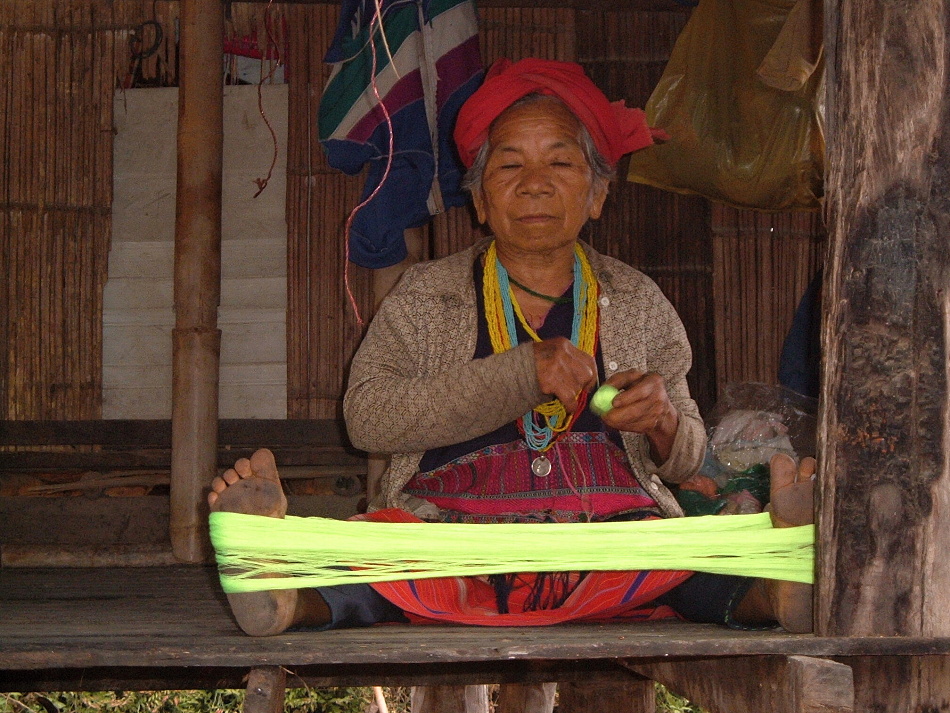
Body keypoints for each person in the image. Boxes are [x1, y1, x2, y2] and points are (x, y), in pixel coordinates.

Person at [208, 57, 815, 712]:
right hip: (454, 533)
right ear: (479, 197)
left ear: (598, 193)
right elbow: (368, 417)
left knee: (687, 557)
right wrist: (521, 373)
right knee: (382, 560)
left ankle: (777, 593)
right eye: (509, 166)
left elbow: (690, 457)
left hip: (609, 534)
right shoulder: (427, 296)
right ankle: (284, 598)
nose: (534, 184)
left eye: (561, 162)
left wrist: (664, 421)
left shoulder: (638, 300)